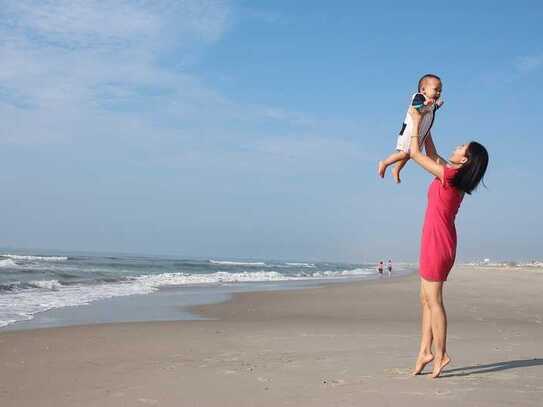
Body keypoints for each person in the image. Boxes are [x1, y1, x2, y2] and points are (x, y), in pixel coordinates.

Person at [407, 106, 488, 378]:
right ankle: (424, 351)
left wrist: (415, 122)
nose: (457, 146)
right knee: (425, 299)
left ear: (465, 160)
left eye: (462, 147)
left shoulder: (451, 176)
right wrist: (428, 118)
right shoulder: (452, 174)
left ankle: (440, 354)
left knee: (434, 300)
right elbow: (430, 152)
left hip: (438, 242)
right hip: (435, 238)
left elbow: (416, 154)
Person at [378, 74, 443, 183]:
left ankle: (397, 169)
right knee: (404, 153)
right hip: (409, 131)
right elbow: (416, 105)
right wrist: (425, 103)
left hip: (419, 134)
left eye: (440, 91)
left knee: (409, 155)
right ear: (423, 90)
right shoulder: (419, 97)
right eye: (436, 89)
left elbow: (432, 110)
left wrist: (437, 106)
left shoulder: (431, 104)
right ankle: (384, 163)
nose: (438, 93)